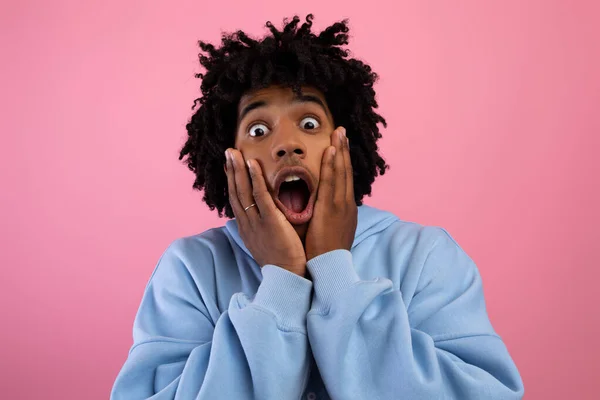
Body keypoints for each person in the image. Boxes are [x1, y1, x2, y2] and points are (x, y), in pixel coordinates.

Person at [111, 14, 524, 400]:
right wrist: (282, 285)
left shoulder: (425, 255)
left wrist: (332, 268)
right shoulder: (190, 268)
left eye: (309, 124)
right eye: (258, 129)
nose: (286, 144)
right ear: (228, 158)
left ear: (345, 143)